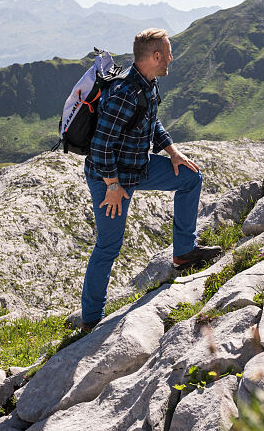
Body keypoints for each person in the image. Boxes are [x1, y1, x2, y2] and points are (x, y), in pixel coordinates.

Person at [80, 27, 221, 332]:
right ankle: (90, 320)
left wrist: (172, 152)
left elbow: (150, 119)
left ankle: (184, 253)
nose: (172, 57)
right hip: (110, 177)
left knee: (189, 178)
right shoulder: (124, 92)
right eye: (169, 53)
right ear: (156, 56)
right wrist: (114, 187)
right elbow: (100, 146)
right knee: (108, 245)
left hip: (137, 167)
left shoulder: (148, 83)